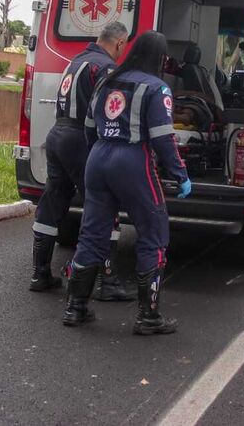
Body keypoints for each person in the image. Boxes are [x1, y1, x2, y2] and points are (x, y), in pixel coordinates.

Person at [63, 31, 190, 335]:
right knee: (154, 233)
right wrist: (180, 174)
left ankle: (75, 308)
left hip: (98, 159)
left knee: (92, 234)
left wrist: (98, 152)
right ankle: (148, 317)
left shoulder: (107, 80)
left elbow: (90, 127)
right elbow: (162, 138)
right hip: (133, 162)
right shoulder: (157, 88)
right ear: (160, 58)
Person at [29, 22, 131, 299]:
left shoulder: (76, 62)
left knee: (52, 201)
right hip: (81, 140)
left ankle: (40, 273)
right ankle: (106, 281)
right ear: (119, 43)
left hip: (57, 135)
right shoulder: (106, 68)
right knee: (102, 205)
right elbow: (111, 112)